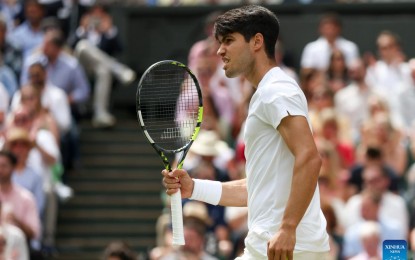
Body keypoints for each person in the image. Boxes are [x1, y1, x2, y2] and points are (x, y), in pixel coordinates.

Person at [163, 5, 329, 260]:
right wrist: (193, 187)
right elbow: (255, 189)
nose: (220, 50)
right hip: (270, 247)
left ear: (257, 42)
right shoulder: (266, 93)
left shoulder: (276, 89)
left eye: (229, 41)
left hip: (285, 248)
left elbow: (310, 158)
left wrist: (287, 228)